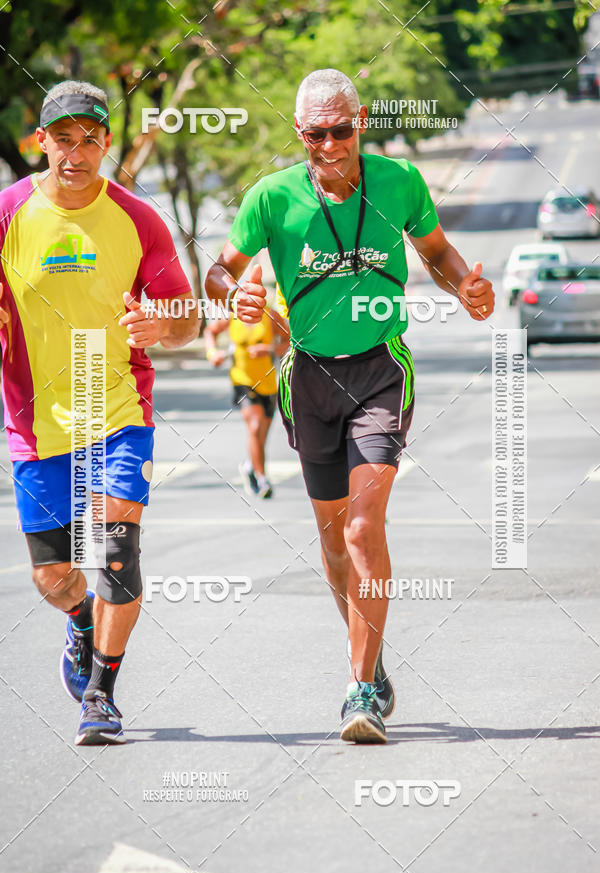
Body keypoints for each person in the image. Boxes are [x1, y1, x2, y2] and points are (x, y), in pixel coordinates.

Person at [205, 68, 495, 744]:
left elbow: (438, 254)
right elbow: (219, 268)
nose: (328, 145)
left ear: (360, 121)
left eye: (340, 130)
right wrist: (232, 293)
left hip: (379, 372)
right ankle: (371, 656)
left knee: (364, 530)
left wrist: (465, 290)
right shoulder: (271, 198)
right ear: (299, 132)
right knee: (334, 542)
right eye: (314, 135)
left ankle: (359, 690)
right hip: (306, 377)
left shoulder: (399, 185)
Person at [0, 80, 197, 745]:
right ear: (41, 142)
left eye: (90, 140)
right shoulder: (8, 213)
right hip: (37, 421)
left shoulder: (139, 219)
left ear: (107, 143)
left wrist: (160, 324)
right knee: (51, 574)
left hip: (117, 409)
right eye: (63, 139)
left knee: (115, 551)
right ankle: (80, 617)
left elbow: (188, 317)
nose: (76, 154)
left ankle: (102, 693)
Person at [204, 299, 289, 499]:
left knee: (261, 436)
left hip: (267, 383)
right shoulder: (232, 316)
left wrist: (268, 350)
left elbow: (288, 341)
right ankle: (262, 478)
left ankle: (250, 466)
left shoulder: (269, 315)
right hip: (242, 381)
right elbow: (210, 332)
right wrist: (212, 353)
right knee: (254, 425)